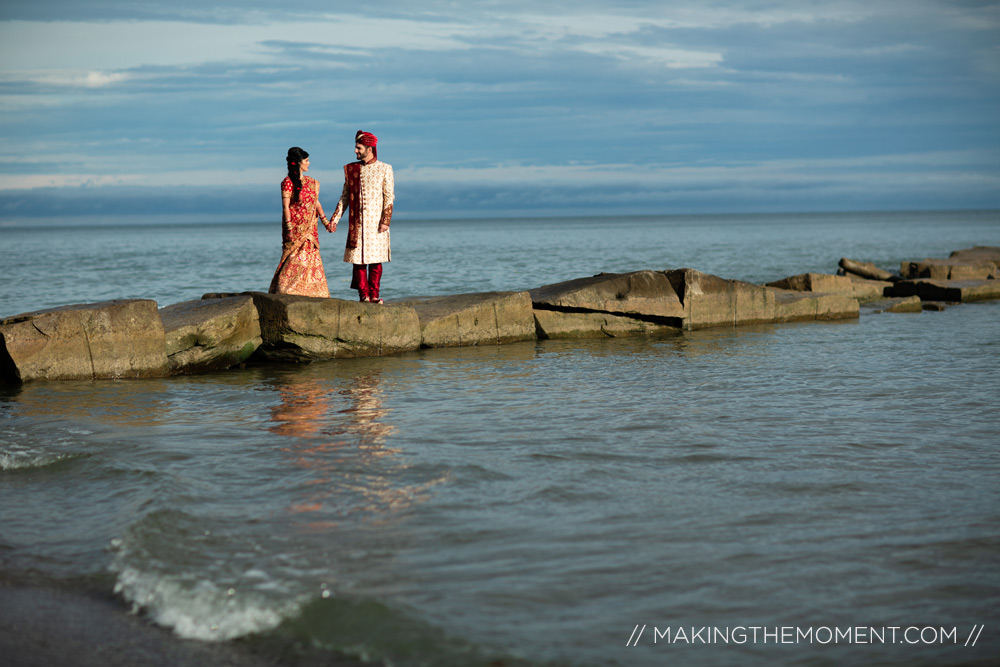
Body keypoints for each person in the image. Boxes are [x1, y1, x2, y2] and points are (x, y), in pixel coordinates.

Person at [329, 130, 395, 303]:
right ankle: (363, 296)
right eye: (356, 148)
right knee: (358, 262)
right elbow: (344, 198)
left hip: (377, 224)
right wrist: (334, 220)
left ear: (369, 148)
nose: (355, 151)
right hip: (356, 224)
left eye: (358, 148)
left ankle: (374, 295)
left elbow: (389, 196)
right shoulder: (352, 170)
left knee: (375, 262)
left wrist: (385, 221)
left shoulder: (385, 168)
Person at [268, 147, 337, 297]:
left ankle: (314, 292)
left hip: (310, 229)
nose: (309, 163)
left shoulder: (312, 183)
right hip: (295, 228)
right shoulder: (287, 182)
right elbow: (286, 207)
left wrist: (326, 222)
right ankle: (286, 289)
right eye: (306, 161)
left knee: (311, 258)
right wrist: (290, 228)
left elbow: (316, 203)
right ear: (298, 163)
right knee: (293, 259)